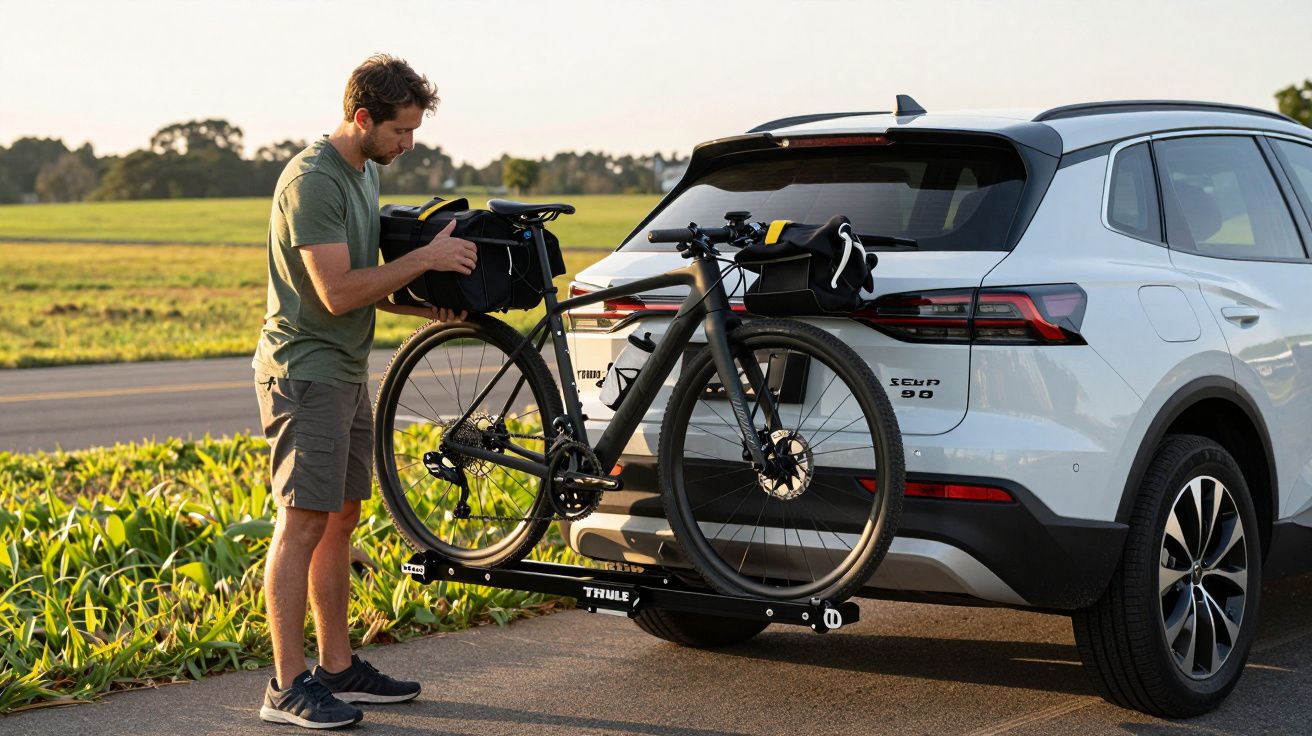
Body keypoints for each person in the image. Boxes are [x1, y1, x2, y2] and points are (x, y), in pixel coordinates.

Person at [251, 53, 476, 729]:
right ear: (362, 118)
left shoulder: (363, 171)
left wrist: (424, 304)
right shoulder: (312, 180)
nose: (408, 145)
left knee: (341, 519)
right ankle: (286, 685)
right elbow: (336, 290)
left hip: (345, 368)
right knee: (301, 523)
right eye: (401, 132)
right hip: (305, 371)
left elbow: (364, 281)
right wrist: (426, 258)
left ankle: (338, 665)